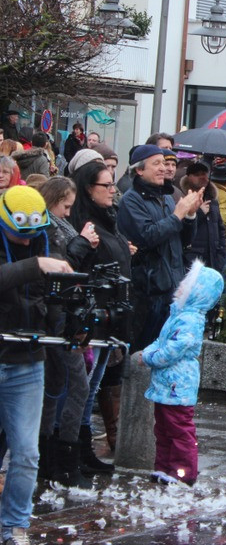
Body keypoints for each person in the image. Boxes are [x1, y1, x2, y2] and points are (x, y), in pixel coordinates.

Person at [0, 186, 75, 545]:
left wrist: (68, 327)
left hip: (28, 360)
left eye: (34, 237)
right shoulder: (36, 255)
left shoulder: (48, 241)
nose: (28, 242)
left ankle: (14, 525)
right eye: (20, 235)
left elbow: (56, 299)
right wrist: (35, 266)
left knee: (27, 453)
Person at [36, 178, 102, 486]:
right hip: (58, 318)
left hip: (67, 316)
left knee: (62, 387)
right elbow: (60, 271)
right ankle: (59, 458)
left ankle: (53, 460)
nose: (68, 211)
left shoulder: (60, 226)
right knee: (70, 387)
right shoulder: (49, 229)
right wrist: (82, 244)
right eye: (65, 205)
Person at [135, 260, 223, 486]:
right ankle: (163, 468)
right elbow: (162, 339)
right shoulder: (178, 313)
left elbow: (174, 349)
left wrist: (148, 358)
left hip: (178, 384)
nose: (180, 287)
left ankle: (183, 472)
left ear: (198, 293)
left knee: (179, 429)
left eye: (188, 285)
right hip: (166, 384)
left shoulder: (190, 319)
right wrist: (149, 350)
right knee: (163, 428)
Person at [69, 161, 131, 457]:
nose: (112, 190)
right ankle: (77, 448)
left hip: (112, 313)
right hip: (91, 316)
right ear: (88, 189)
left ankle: (86, 448)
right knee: (84, 388)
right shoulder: (82, 222)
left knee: (98, 384)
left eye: (112, 184)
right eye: (105, 186)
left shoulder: (109, 217)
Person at [117, 145, 201, 352]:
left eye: (164, 163)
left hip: (171, 286)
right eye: (157, 164)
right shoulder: (131, 200)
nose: (163, 168)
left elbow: (183, 241)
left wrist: (190, 215)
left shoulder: (165, 197)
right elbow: (147, 236)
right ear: (139, 170)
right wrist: (177, 215)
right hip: (148, 290)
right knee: (144, 352)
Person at [180, 161, 226, 272]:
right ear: (189, 177)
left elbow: (221, 230)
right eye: (197, 174)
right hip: (192, 262)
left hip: (213, 261)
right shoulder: (184, 199)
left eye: (204, 173)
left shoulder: (212, 200)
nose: (202, 177)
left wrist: (220, 256)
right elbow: (181, 230)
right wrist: (199, 213)